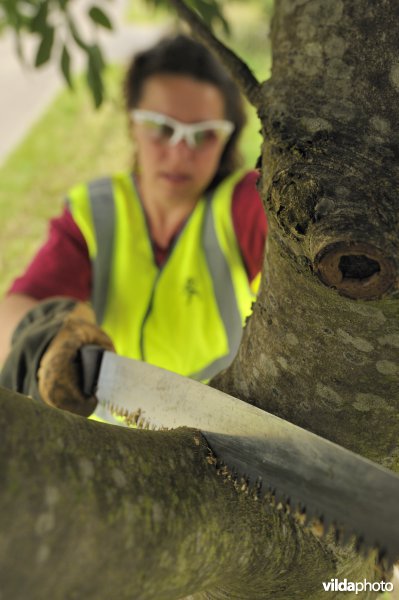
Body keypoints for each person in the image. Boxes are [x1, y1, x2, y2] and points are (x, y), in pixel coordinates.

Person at [0, 33, 267, 416]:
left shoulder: (243, 205)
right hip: (111, 441)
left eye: (204, 135)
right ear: (132, 124)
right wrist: (45, 341)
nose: (179, 153)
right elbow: (15, 310)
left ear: (226, 141)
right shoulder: (96, 211)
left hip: (216, 441)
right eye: (161, 127)